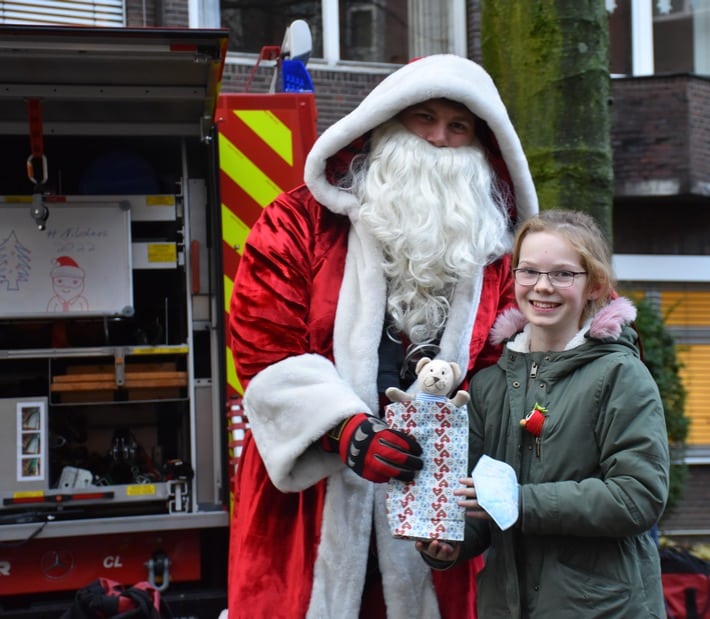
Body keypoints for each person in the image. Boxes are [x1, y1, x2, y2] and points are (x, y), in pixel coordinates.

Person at [226, 54, 538, 619]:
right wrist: (345, 432)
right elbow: (261, 349)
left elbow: (502, 372)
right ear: (387, 123)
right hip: (313, 502)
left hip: (434, 506)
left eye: (458, 126)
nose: (440, 139)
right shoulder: (297, 222)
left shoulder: (493, 256)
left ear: (481, 145)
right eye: (424, 118)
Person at [417, 209, 670, 618]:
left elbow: (637, 497)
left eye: (563, 274)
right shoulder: (487, 384)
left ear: (595, 285)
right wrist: (450, 542)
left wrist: (519, 501)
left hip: (604, 609)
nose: (542, 287)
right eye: (529, 271)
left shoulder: (621, 375)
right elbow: (478, 503)